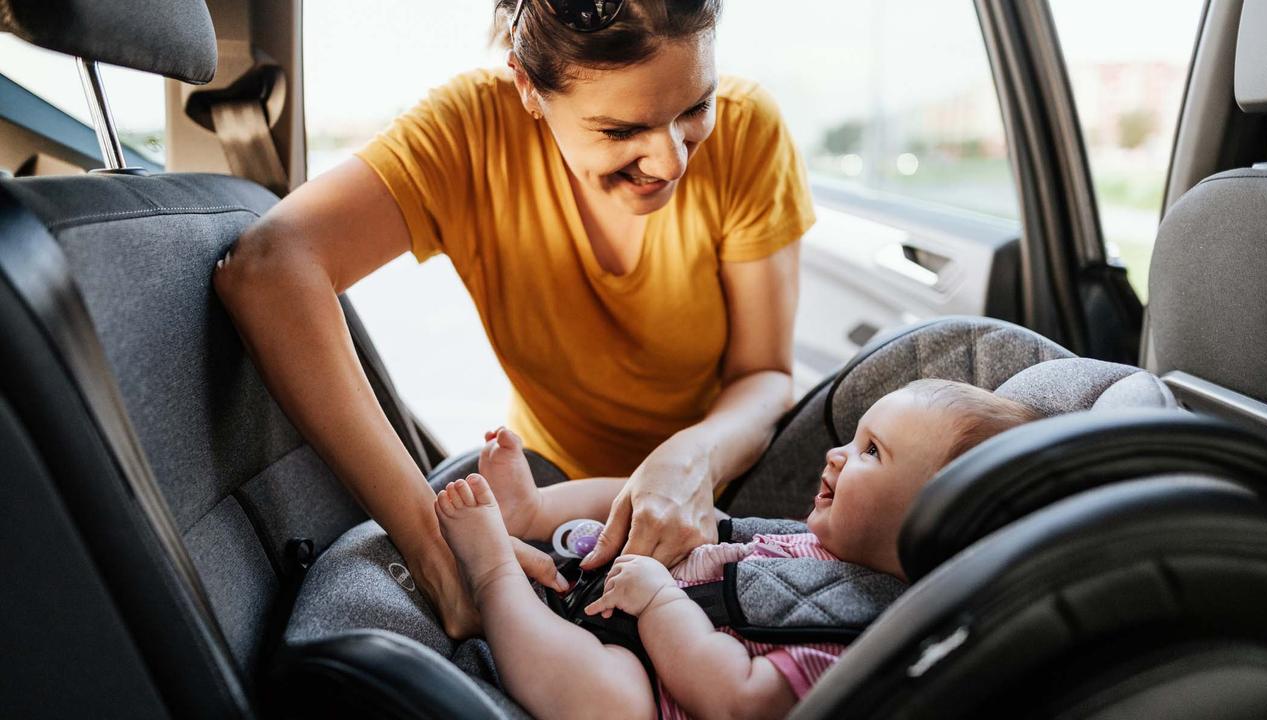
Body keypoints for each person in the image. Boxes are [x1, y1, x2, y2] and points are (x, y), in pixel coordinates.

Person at [213, 0, 814, 637]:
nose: (670, 162)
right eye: (618, 131)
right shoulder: (471, 132)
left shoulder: (752, 132)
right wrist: (434, 551)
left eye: (695, 109)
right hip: (559, 484)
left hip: (724, 474)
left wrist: (690, 461)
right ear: (528, 87)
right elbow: (268, 269)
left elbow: (766, 375)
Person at [434, 380, 1043, 720]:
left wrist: (660, 605)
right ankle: (534, 512)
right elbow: (725, 545)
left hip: (653, 686)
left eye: (871, 453)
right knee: (692, 508)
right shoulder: (819, 546)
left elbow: (738, 702)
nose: (835, 455)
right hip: (631, 591)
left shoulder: (862, 641)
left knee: (612, 705)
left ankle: (490, 578)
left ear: (931, 522)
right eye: (854, 440)